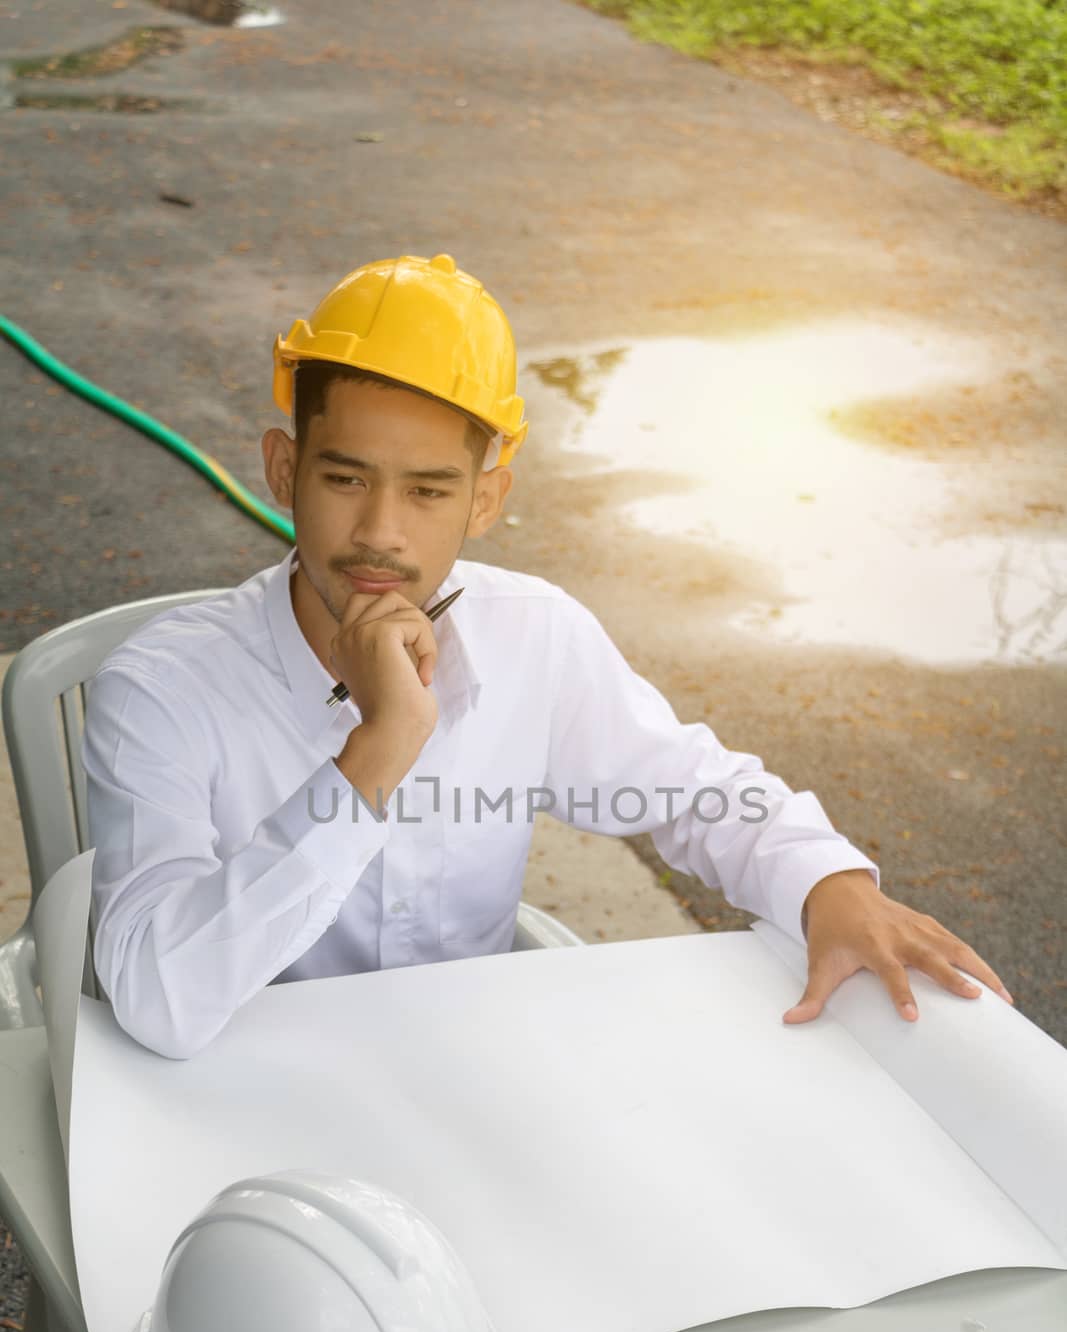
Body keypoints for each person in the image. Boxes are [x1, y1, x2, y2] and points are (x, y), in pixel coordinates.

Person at [82, 252, 1013, 1060]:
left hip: (466, 1091)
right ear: (285, 470)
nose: (380, 533)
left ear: (485, 503)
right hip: (230, 1115)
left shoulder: (535, 637)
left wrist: (827, 881)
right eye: (345, 478)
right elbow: (160, 1002)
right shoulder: (161, 690)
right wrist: (379, 747)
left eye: (429, 491)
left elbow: (695, 790)